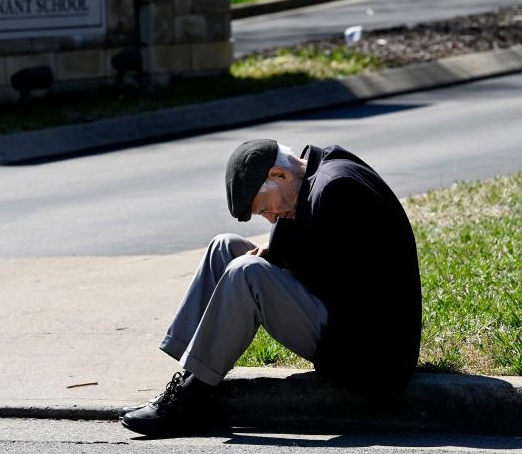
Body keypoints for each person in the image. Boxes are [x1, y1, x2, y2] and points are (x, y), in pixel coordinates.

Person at [120, 139, 422, 437]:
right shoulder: (314, 171)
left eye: (265, 208)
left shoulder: (336, 189)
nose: (270, 218)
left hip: (369, 353)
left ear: (280, 174)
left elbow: (344, 288)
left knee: (246, 272)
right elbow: (322, 256)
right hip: (342, 319)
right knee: (225, 247)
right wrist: (276, 250)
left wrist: (279, 256)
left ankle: (191, 398)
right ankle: (188, 377)